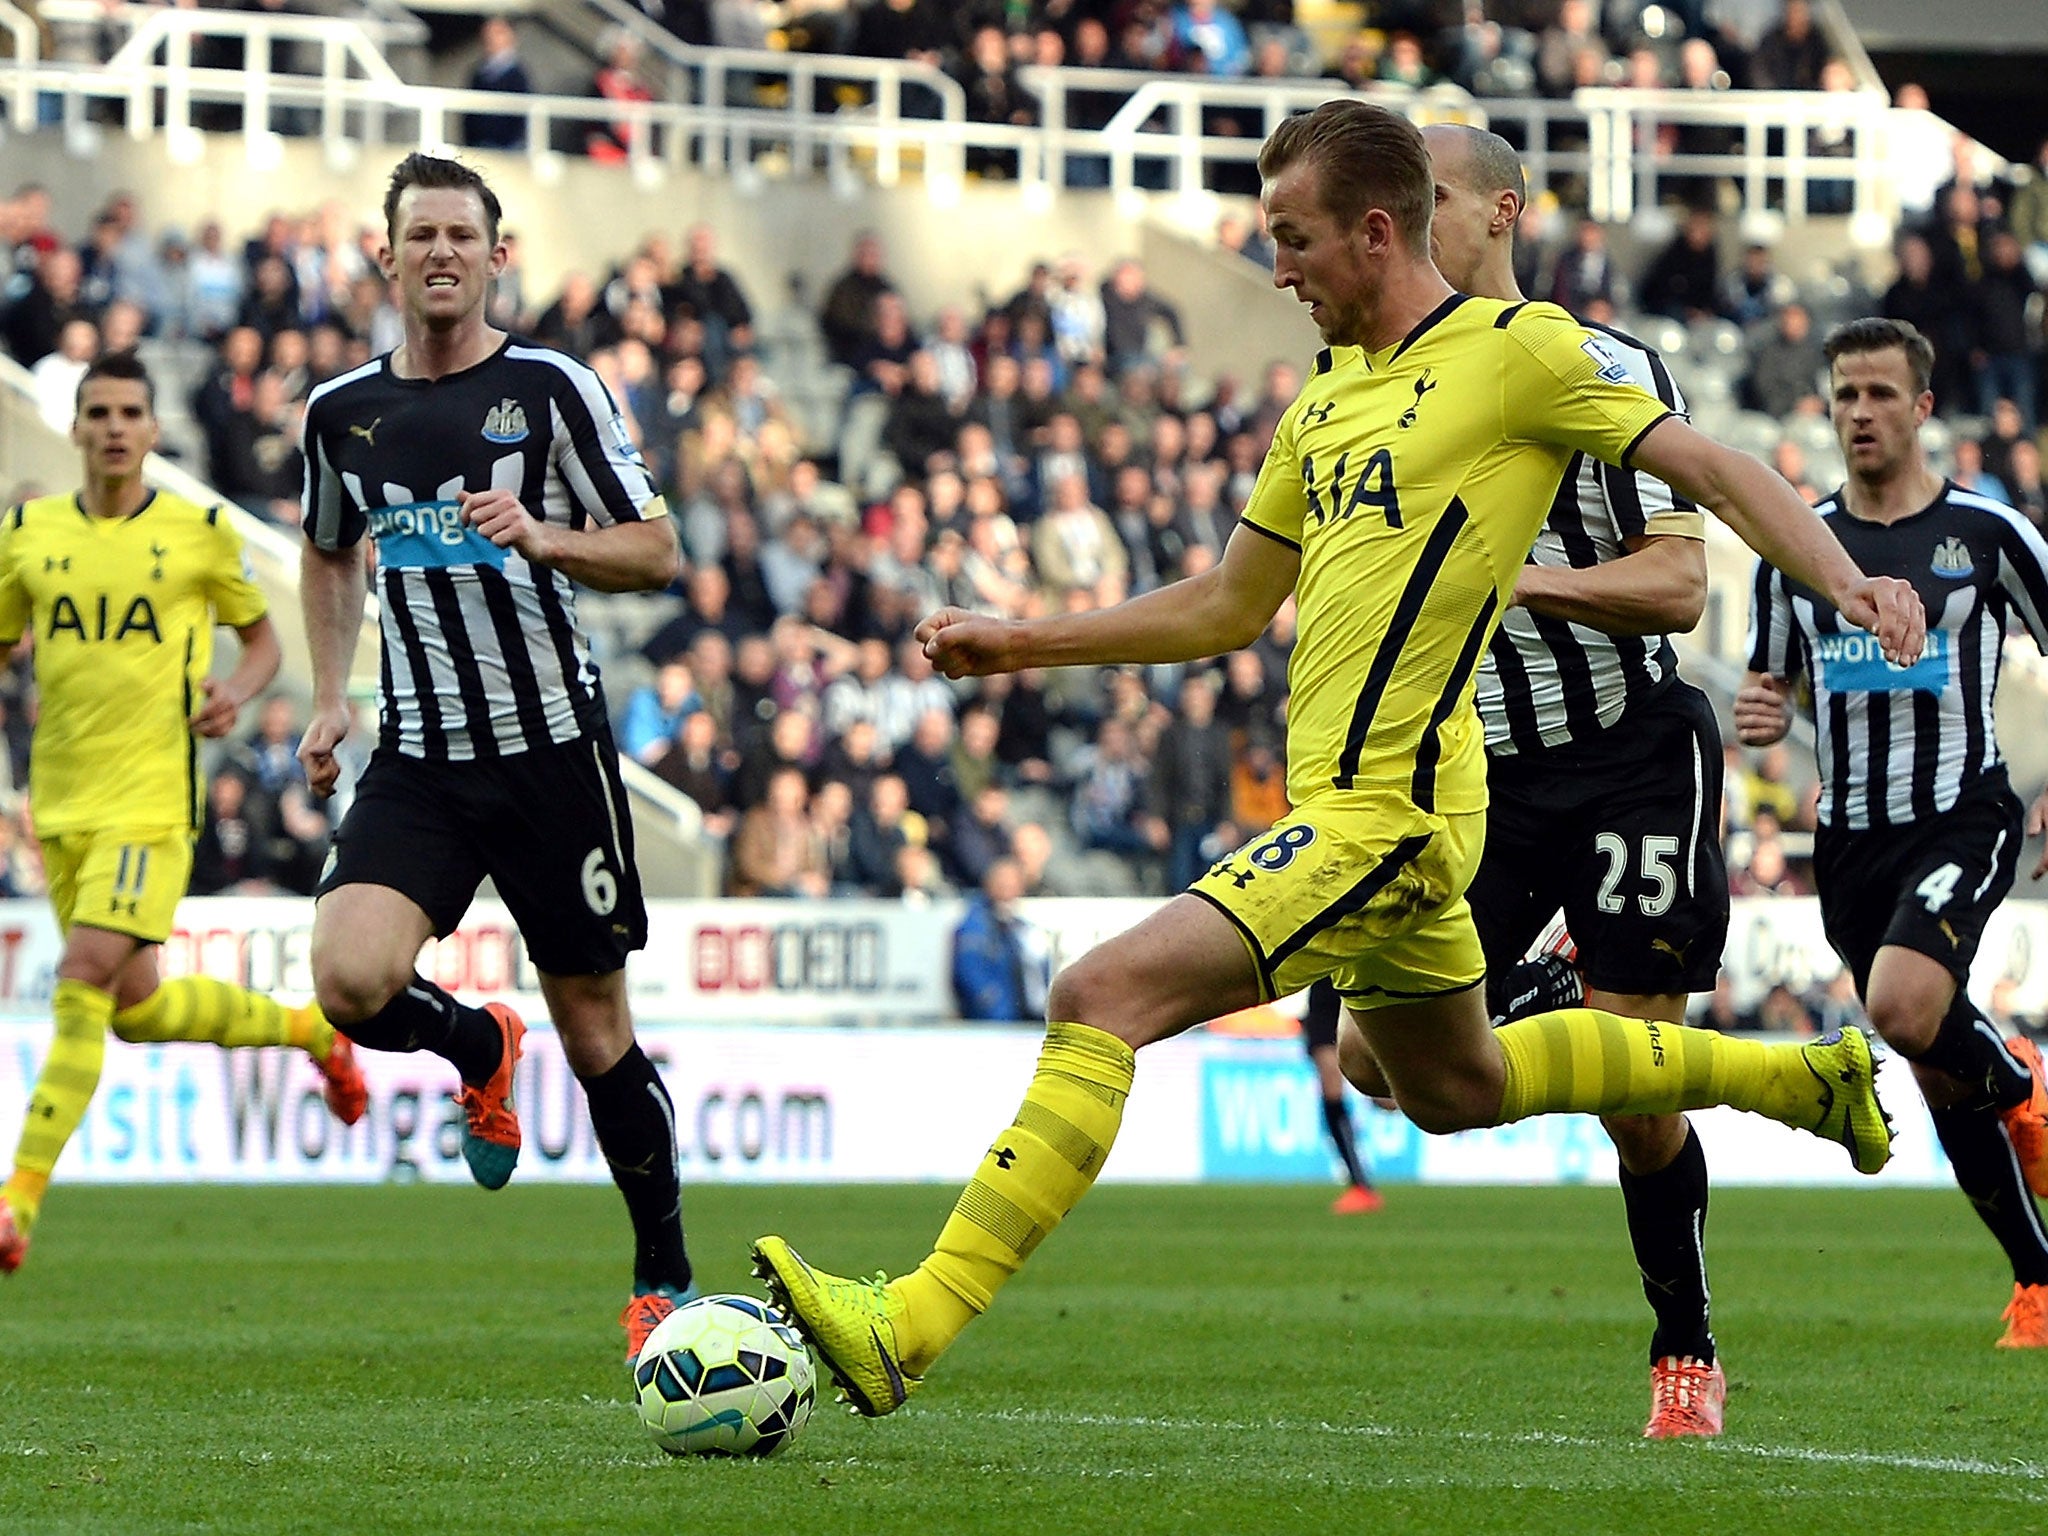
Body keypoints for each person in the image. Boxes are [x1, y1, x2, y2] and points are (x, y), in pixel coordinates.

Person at [749, 101, 1923, 1421]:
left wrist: (1850, 579)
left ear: (1376, 232)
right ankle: (1800, 1078)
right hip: (1388, 803)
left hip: (1400, 817)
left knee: (1100, 993)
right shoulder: (1326, 397)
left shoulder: (1521, 355)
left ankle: (906, 1321)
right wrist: (1021, 642)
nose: (1279, 271)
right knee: (1449, 1086)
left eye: (1294, 240)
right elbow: (1227, 606)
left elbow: (1714, 471)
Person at [296, 154, 694, 1365]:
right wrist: (326, 699)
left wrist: (549, 536)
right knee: (348, 981)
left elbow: (659, 552)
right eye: (419, 235)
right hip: (417, 760)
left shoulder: (553, 388)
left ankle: (663, 1281)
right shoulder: (340, 414)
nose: (440, 254)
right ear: (387, 255)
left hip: (548, 756)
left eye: (460, 235)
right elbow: (326, 553)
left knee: (593, 1027)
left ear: (494, 254)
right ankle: (477, 1047)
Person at [1421, 124, 1736, 1437]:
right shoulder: (1381, 387)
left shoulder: (1603, 366)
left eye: (1426, 196)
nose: (1404, 219)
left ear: (1501, 211)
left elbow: (1682, 585)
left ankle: (1686, 1349)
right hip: (1483, 777)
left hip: (1629, 760)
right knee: (1384, 1070)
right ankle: (1561, 992)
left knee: (1639, 1106)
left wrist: (1524, 578)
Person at [0, 351, 366, 1274]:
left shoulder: (198, 530)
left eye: (131, 412)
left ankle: (16, 1203)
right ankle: (308, 1032)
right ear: (76, 427)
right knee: (135, 1008)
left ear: (153, 430)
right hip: (64, 802)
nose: (116, 427)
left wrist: (237, 694)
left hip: (154, 801)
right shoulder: (29, 535)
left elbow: (260, 641)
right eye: (100, 413)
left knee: (81, 973)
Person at [1740, 316, 2048, 1350]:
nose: (1858, 412)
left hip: (1963, 812)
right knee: (1928, 1061)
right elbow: (1768, 682)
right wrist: (1761, 718)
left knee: (1903, 1007)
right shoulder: (1796, 550)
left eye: (1878, 394)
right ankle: (2036, 1279)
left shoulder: (1990, 536)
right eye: (1843, 396)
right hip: (1850, 847)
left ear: (1921, 408)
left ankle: (2022, 1084)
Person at [1301, 978, 1380, 1214]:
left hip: (1360, 983)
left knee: (1387, 1100)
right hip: (1325, 989)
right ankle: (1360, 1185)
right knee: (1330, 1083)